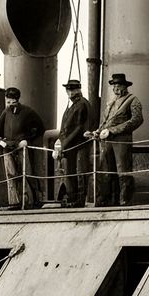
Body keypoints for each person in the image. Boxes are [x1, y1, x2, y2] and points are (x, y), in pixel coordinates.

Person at [95, 72, 144, 206]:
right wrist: (97, 132)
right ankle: (108, 200)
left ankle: (124, 200)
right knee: (106, 170)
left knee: (123, 170)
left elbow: (137, 120)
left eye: (118, 85)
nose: (115, 88)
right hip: (107, 142)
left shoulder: (133, 100)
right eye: (114, 85)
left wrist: (112, 130)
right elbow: (106, 122)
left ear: (125, 86)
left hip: (122, 141)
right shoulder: (111, 103)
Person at [0, 86, 46, 208]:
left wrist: (27, 139)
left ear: (17, 100)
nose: (9, 104)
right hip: (8, 147)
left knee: (27, 173)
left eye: (12, 102)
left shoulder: (27, 112)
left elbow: (40, 127)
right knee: (11, 174)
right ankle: (14, 202)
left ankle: (33, 200)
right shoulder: (5, 113)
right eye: (7, 102)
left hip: (21, 146)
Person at [56, 79, 92, 207]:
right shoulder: (72, 105)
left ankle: (79, 199)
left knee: (79, 171)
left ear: (78, 90)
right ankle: (72, 198)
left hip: (78, 144)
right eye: (68, 89)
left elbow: (78, 127)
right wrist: (61, 141)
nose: (70, 92)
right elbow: (64, 127)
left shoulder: (81, 104)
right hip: (70, 145)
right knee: (69, 172)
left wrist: (64, 144)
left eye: (72, 89)